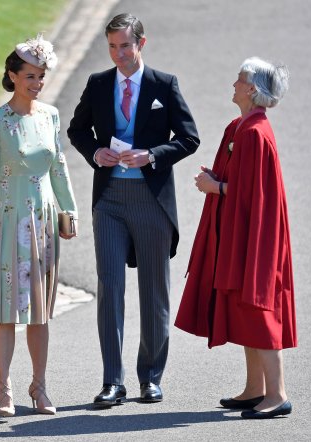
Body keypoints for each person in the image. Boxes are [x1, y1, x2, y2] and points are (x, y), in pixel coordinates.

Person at [67, 13, 199, 407]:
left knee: (154, 291)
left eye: (125, 45)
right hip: (109, 202)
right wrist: (95, 152)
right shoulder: (98, 84)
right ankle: (113, 381)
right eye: (111, 46)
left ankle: (151, 378)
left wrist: (153, 155)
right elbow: (77, 130)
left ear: (142, 43)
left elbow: (189, 138)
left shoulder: (164, 85)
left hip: (152, 203)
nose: (118, 54)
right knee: (110, 288)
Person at [174, 57, 296, 419]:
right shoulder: (240, 126)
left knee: (260, 308)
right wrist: (219, 180)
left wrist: (216, 186)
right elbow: (242, 182)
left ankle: (277, 394)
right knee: (244, 307)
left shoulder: (255, 133)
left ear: (253, 89)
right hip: (239, 231)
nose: (234, 83)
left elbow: (254, 194)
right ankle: (255, 389)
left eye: (240, 79)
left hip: (256, 236)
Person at [0, 34, 78, 417]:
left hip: (45, 219)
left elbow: (58, 166)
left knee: (39, 310)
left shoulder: (50, 115)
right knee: (5, 309)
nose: (36, 83)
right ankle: (4, 390)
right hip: (6, 219)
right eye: (30, 76)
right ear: (12, 76)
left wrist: (70, 210)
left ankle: (40, 386)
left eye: (41, 76)